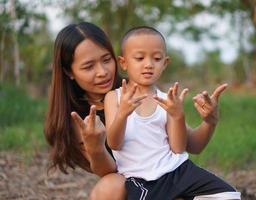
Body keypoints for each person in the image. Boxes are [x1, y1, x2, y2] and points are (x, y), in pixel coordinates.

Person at [44, 22, 236, 200]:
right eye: (88, 66)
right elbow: (109, 174)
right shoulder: (79, 119)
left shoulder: (143, 91)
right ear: (69, 72)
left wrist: (209, 121)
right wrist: (95, 146)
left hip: (171, 177)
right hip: (134, 184)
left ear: (119, 61)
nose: (102, 72)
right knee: (110, 186)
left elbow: (190, 145)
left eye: (106, 60)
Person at [104, 26, 240, 200]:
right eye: (139, 58)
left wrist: (177, 116)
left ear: (165, 63)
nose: (148, 64)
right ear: (123, 63)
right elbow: (114, 143)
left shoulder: (167, 99)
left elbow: (177, 148)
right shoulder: (114, 98)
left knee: (227, 195)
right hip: (143, 179)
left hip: (178, 170)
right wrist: (122, 114)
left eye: (157, 58)